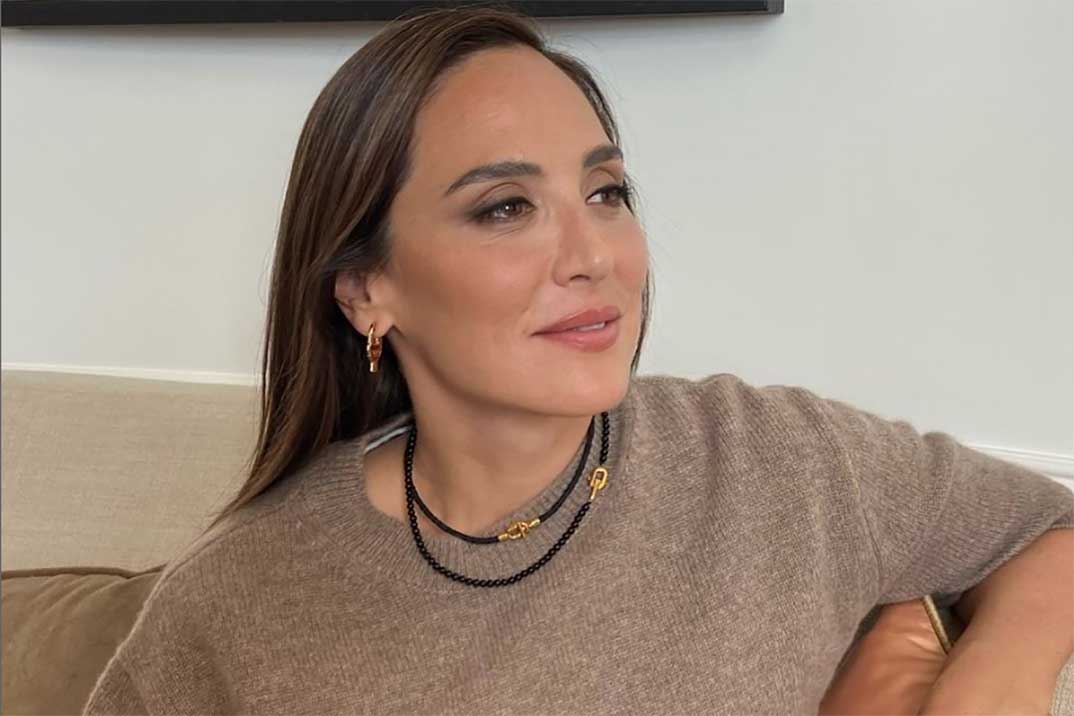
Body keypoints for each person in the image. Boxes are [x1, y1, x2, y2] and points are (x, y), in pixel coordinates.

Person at [82, 5, 1072, 715]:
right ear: (366, 291)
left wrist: (999, 680)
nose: (594, 254)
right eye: (506, 207)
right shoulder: (239, 600)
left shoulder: (775, 458)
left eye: (606, 193)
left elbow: (1051, 527)